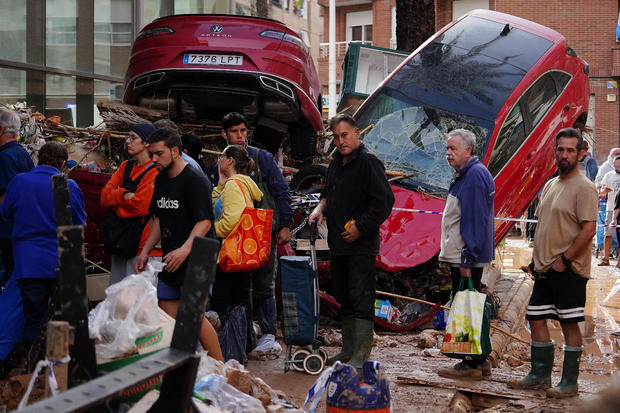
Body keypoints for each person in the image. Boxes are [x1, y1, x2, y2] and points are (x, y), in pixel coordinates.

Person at [508, 128, 597, 398]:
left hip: (569, 269)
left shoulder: (585, 187)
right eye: (561, 149)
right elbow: (546, 226)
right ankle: (539, 376)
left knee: (570, 323)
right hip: (545, 269)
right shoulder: (551, 184)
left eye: (571, 150)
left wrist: (565, 260)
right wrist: (536, 262)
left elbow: (589, 229)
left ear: (581, 154)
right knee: (535, 317)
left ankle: (569, 382)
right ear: (554, 151)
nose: (565, 155)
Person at [309, 114, 394, 369]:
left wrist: (361, 226)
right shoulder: (337, 160)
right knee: (344, 295)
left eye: (344, 135)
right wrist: (319, 208)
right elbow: (327, 194)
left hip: (361, 245)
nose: (340, 141)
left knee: (360, 298)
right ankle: (347, 350)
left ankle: (360, 353)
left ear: (357, 133)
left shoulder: (368, 162)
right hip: (339, 244)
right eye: (335, 137)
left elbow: (384, 201)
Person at [135, 128, 222, 361]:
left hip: (197, 258)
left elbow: (204, 221)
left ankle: (222, 368)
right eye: (151, 154)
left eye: (159, 154)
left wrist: (184, 250)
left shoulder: (196, 180)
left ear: (175, 151)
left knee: (193, 317)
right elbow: (158, 218)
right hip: (171, 258)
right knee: (167, 314)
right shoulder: (161, 179)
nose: (154, 160)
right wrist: (145, 251)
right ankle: (183, 367)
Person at [219, 112, 293, 354]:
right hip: (233, 237)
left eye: (242, 131)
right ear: (224, 134)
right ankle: (247, 334)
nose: (240, 136)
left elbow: (281, 191)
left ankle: (269, 333)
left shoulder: (262, 158)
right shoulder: (222, 163)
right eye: (234, 132)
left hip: (261, 233)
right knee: (241, 287)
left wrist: (285, 225)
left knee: (264, 284)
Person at [0, 142, 86, 351]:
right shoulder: (68, 185)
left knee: (34, 317)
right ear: (63, 163)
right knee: (60, 316)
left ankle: (29, 364)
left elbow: (5, 212)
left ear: (39, 158)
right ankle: (54, 362)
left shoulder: (20, 182)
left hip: (28, 261)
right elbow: (79, 223)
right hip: (60, 260)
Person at [436, 129, 495, 380]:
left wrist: (467, 260)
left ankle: (469, 363)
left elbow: (474, 221)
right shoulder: (467, 174)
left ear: (468, 150)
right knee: (470, 305)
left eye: (453, 149)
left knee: (465, 306)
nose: (448, 154)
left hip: (465, 256)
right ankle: (479, 360)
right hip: (464, 254)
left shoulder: (473, 177)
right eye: (447, 148)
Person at [211, 145, 263, 358]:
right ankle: (239, 348)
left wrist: (211, 231)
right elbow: (217, 206)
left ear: (230, 160)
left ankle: (229, 352)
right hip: (242, 252)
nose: (219, 161)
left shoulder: (234, 185)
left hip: (230, 252)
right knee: (239, 298)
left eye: (221, 157)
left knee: (224, 302)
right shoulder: (237, 184)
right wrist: (219, 186)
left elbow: (232, 219)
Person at [101, 122, 161, 284]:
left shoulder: (155, 171)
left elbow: (140, 206)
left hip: (141, 246)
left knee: (137, 302)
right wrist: (124, 194)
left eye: (133, 138)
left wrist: (117, 204)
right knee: (118, 299)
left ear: (147, 143)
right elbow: (105, 197)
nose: (128, 141)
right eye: (128, 137)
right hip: (120, 242)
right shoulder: (125, 166)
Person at [0, 109, 34, 287]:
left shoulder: (4, 157)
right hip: (21, 229)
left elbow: (5, 196)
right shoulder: (22, 153)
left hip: (7, 231)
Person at [594, 148, 620, 259]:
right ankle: (606, 257)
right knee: (608, 233)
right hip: (610, 208)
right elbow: (601, 187)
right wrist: (603, 191)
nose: (617, 168)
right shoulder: (607, 172)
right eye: (616, 166)